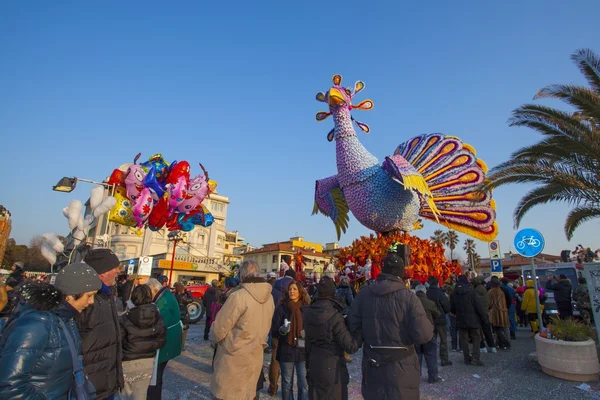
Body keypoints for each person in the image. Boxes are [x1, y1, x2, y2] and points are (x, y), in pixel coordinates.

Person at [0, 262, 101, 399]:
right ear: (70, 294)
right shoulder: (37, 323)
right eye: (89, 295)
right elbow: (10, 385)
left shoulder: (66, 318)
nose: (91, 302)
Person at [348, 247, 433, 399]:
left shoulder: (363, 295)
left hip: (373, 366)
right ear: (401, 274)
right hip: (402, 369)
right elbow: (424, 335)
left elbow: (353, 325)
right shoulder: (409, 298)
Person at [210, 260, 274, 400]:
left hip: (233, 356)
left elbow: (219, 328)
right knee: (249, 393)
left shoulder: (238, 296)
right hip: (256, 353)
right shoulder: (270, 298)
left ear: (241, 276)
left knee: (229, 394)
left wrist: (214, 339)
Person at [78, 248, 125, 400]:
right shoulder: (84, 298)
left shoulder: (107, 295)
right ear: (103, 271)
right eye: (114, 267)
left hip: (107, 381)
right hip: (90, 385)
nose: (118, 271)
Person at [303, 276, 359, 400]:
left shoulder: (308, 312)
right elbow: (350, 346)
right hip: (332, 365)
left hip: (314, 362)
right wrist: (359, 332)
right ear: (332, 292)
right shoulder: (335, 316)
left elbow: (307, 343)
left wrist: (308, 364)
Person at [120, 285, 166, 400]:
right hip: (147, 361)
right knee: (140, 396)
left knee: (123, 396)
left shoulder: (125, 317)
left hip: (127, 362)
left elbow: (119, 341)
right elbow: (161, 339)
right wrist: (150, 347)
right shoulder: (157, 316)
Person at [272, 279, 311, 400]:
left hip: (302, 349)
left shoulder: (306, 309)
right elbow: (273, 330)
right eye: (290, 289)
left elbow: (312, 329)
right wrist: (282, 330)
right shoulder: (282, 308)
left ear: (300, 291)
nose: (292, 291)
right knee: (287, 383)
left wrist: (307, 333)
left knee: (303, 383)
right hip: (286, 349)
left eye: (294, 289)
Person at [146, 278, 182, 400]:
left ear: (155, 290)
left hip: (166, 342)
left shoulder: (163, 301)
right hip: (169, 340)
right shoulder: (165, 295)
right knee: (158, 374)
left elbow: (160, 324)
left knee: (156, 375)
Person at [268, 268, 295, 395]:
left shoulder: (273, 289)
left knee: (275, 357)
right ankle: (287, 389)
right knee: (289, 359)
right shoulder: (295, 289)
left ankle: (273, 387)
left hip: (273, 325)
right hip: (290, 327)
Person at [450, 275, 487, 366]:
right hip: (473, 319)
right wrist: (483, 316)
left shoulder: (454, 293)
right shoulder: (471, 292)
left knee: (464, 339)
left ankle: (466, 358)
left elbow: (452, 308)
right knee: (476, 338)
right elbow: (478, 306)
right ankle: (475, 358)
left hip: (461, 319)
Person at [415, 285, 441, 383]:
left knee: (416, 356)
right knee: (431, 355)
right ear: (424, 292)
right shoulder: (429, 303)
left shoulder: (410, 302)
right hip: (428, 332)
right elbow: (437, 314)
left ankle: (416, 377)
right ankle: (433, 377)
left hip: (415, 332)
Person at [426, 276, 452, 366]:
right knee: (443, 340)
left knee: (431, 341)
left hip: (430, 320)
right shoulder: (440, 293)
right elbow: (447, 307)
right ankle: (444, 359)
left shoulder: (427, 293)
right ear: (437, 283)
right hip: (440, 319)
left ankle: (431, 360)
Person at [472, 277, 495, 353]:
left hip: (478, 313)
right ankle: (492, 346)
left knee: (479, 331)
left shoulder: (475, 291)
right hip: (485, 312)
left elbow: (475, 303)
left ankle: (482, 347)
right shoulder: (483, 289)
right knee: (487, 330)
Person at [488, 277, 511, 350]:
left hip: (495, 312)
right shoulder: (502, 290)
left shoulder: (491, 292)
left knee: (496, 329)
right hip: (503, 311)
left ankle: (505, 343)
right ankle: (502, 343)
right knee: (504, 328)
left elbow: (489, 303)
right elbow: (509, 300)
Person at [174, 282, 193, 349]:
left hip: (176, 316)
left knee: (177, 332)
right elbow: (191, 300)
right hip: (183, 316)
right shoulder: (183, 297)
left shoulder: (174, 296)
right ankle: (181, 346)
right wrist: (188, 292)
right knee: (184, 332)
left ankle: (175, 345)